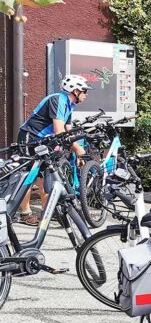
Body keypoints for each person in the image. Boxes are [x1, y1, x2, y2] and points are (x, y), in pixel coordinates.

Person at [15, 75, 91, 226]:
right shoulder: (58, 100)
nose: (86, 94)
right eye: (84, 91)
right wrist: (77, 148)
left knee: (45, 174)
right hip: (31, 136)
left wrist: (77, 149)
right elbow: (59, 131)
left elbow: (68, 130)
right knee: (29, 175)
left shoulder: (70, 104)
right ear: (75, 91)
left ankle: (46, 211)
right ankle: (25, 213)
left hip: (45, 140)